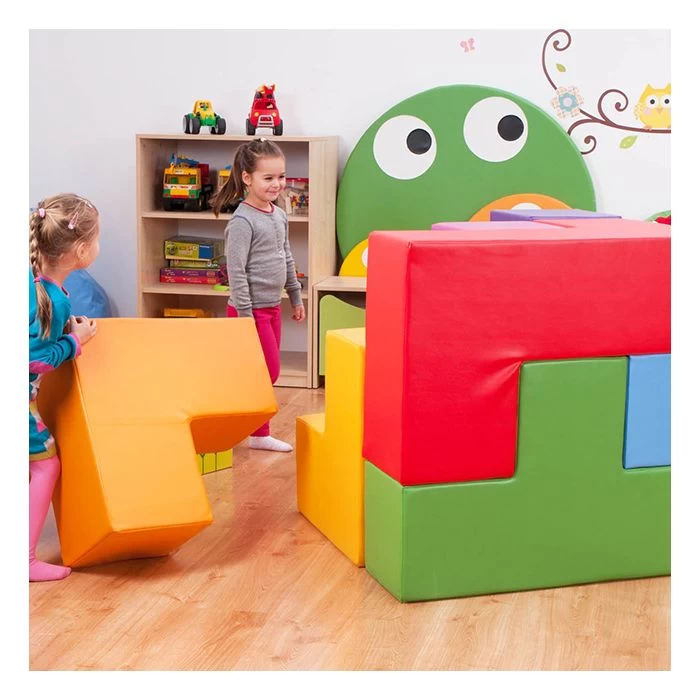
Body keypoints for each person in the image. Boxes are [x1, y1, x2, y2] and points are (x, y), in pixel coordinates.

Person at [211, 138, 305, 452]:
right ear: (247, 178)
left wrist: (295, 296)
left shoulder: (278, 214)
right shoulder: (242, 221)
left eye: (281, 176)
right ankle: (247, 427)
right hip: (248, 312)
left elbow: (286, 255)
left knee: (262, 373)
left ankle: (256, 432)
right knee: (267, 372)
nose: (277, 184)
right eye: (268, 178)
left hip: (272, 307)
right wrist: (246, 316)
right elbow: (236, 271)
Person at [29, 194, 100, 581]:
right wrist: (75, 342)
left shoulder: (33, 284)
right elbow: (34, 359)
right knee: (46, 465)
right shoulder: (52, 299)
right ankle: (24, 559)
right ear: (82, 250)